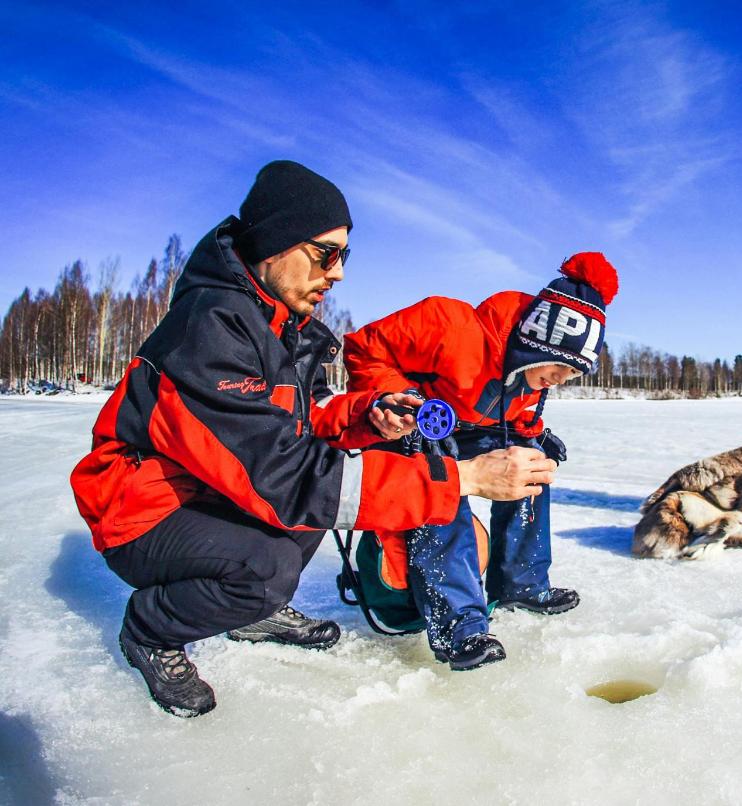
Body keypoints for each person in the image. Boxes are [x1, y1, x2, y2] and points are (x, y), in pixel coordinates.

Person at [70, 160, 556, 717]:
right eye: (326, 253)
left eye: (344, 256)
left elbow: (308, 417)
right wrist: (465, 477)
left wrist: (369, 412)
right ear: (274, 244)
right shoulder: (210, 329)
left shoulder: (286, 328)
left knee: (307, 516)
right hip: (140, 507)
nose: (339, 272)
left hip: (207, 489)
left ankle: (250, 611)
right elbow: (285, 475)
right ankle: (152, 630)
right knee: (268, 563)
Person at [341, 252, 619, 669]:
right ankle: (459, 625)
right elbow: (363, 349)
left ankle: (520, 582)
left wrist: (536, 437)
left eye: (573, 374)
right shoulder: (448, 324)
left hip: (466, 431)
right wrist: (400, 400)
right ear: (536, 342)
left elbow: (518, 419)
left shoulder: (530, 378)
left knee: (531, 465)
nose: (562, 380)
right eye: (560, 366)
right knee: (445, 482)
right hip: (410, 427)